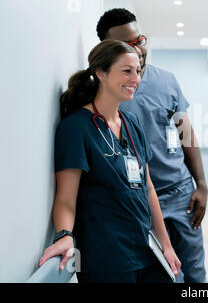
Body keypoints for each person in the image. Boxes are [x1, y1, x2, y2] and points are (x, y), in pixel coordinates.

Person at [38, 39, 181, 283]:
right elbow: (65, 199)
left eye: (137, 70)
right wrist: (64, 235)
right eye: (126, 71)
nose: (135, 78)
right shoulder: (76, 128)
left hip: (145, 249)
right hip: (106, 257)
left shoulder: (131, 123)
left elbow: (147, 188)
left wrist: (165, 245)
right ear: (100, 73)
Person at [96, 8, 207, 283]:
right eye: (127, 45)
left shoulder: (167, 80)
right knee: (163, 275)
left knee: (194, 273)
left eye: (139, 40)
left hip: (181, 193)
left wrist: (201, 184)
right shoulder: (107, 90)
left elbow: (186, 133)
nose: (138, 49)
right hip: (140, 199)